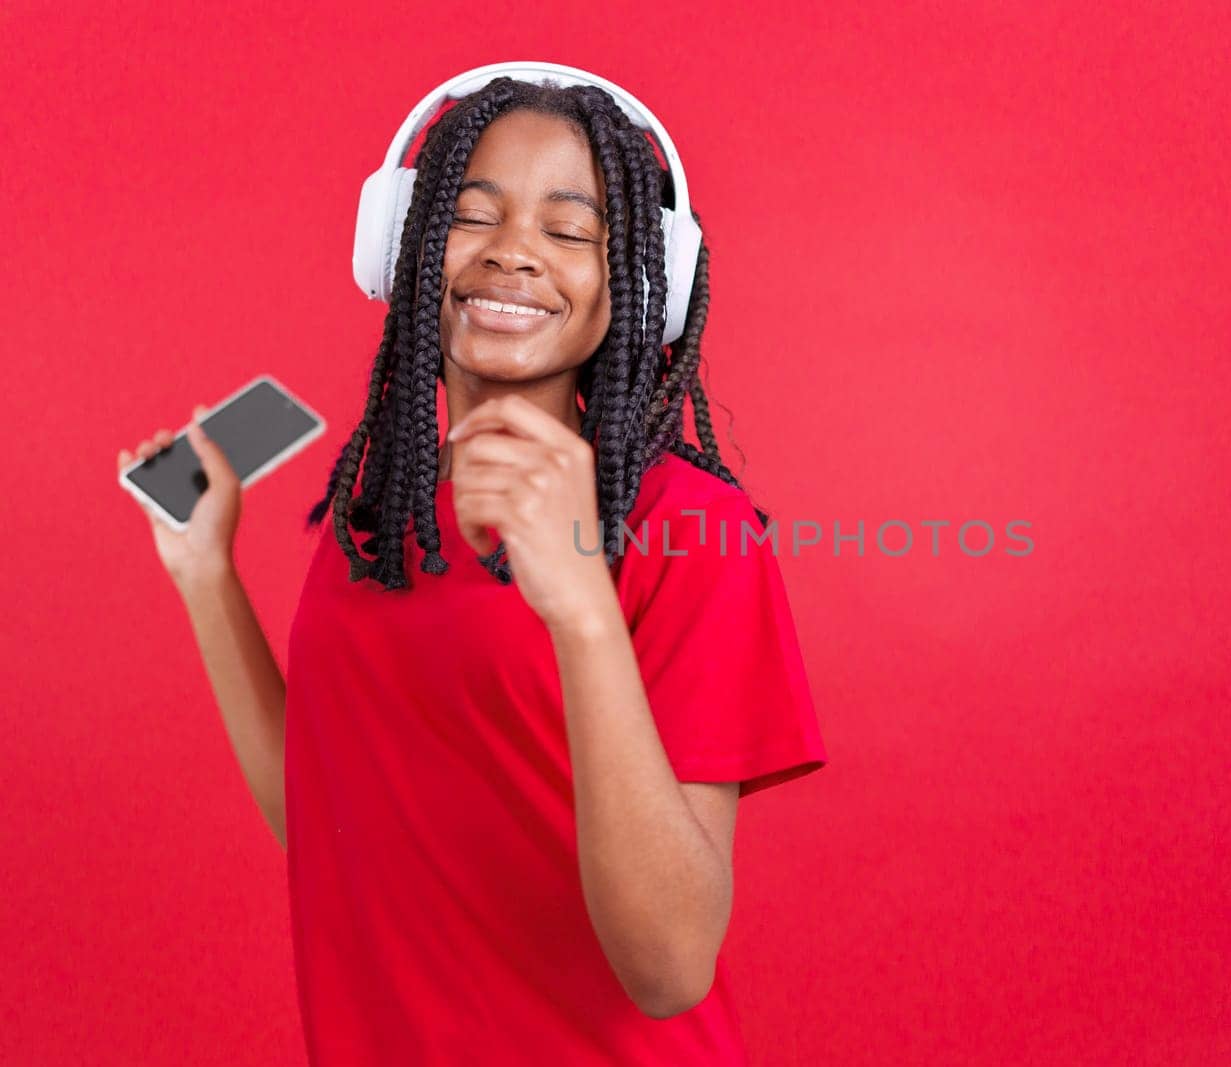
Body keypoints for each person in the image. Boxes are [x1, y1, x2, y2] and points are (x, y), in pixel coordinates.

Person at [115, 74, 827, 1065]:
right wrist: (205, 574)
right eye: (468, 214)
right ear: (398, 248)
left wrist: (582, 606)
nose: (511, 250)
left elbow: (669, 966)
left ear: (640, 277)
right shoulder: (381, 512)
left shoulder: (687, 526)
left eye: (571, 230)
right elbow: (334, 831)